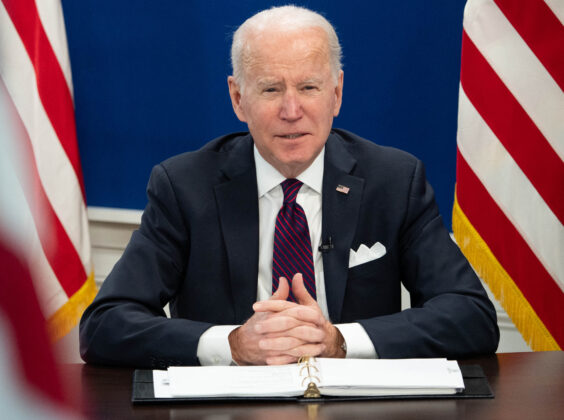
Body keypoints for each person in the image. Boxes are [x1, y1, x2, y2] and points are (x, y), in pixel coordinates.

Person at [79, 5, 499, 368]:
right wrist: (232, 345)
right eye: (271, 89)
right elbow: (105, 324)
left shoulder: (394, 180)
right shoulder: (184, 186)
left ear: (336, 94)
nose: (291, 110)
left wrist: (339, 341)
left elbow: (470, 316)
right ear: (238, 98)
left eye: (308, 87)